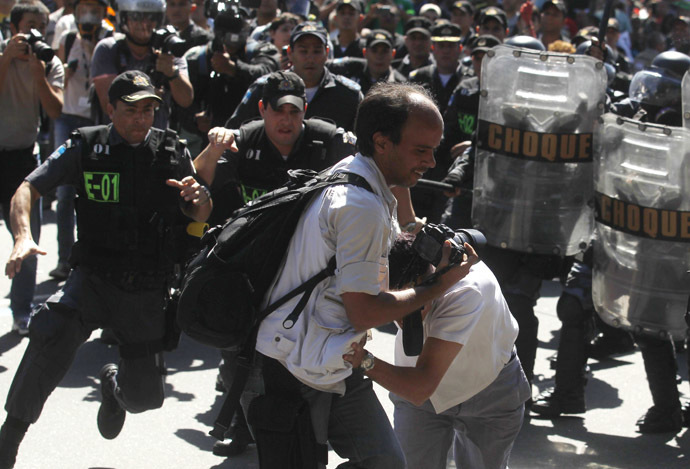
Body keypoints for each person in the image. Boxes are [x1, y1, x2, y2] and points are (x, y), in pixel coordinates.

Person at [253, 82, 477, 467]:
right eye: (420, 150)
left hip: (334, 356)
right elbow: (365, 312)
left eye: (434, 150)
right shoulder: (361, 206)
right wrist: (439, 284)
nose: (431, 162)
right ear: (382, 142)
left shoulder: (358, 174)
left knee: (386, 462)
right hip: (291, 366)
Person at [0, 70, 212, 469]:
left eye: (149, 109)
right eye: (131, 109)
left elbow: (195, 213)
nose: (141, 118)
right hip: (92, 278)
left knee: (145, 399)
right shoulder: (86, 145)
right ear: (110, 109)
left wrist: (201, 203)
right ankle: (8, 441)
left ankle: (112, 387)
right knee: (50, 332)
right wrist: (23, 235)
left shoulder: (171, 150)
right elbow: (28, 188)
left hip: (146, 291)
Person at [194, 70, 358, 458]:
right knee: (236, 344)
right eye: (278, 111)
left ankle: (309, 425)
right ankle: (240, 423)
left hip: (307, 263)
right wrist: (214, 148)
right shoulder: (242, 140)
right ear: (262, 110)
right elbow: (197, 179)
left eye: (294, 111)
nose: (286, 121)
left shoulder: (328, 139)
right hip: (251, 263)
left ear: (305, 110)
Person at [344, 231, 530, 469]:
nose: (396, 320)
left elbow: (420, 387)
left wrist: (364, 360)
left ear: (423, 285)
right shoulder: (397, 266)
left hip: (488, 390)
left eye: (404, 308)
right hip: (416, 388)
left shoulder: (466, 290)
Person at [0, 1, 64, 335]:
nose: (37, 31)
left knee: (27, 238)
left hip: (23, 157)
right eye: (29, 25)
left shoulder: (49, 62)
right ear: (13, 28)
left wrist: (39, 76)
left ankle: (21, 310)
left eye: (43, 25)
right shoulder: (2, 53)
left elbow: (55, 110)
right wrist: (7, 58)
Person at [49, 0, 112, 281]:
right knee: (64, 192)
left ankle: (95, 258)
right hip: (68, 116)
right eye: (84, 8)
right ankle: (64, 259)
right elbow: (56, 76)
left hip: (96, 119)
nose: (89, 14)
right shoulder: (68, 36)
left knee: (96, 190)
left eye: (95, 10)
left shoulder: (110, 39)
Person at [181, 3, 279, 153]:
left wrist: (233, 69)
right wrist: (195, 120)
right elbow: (181, 103)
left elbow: (268, 75)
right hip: (208, 143)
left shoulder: (261, 50)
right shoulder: (197, 57)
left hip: (253, 141)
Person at [228, 22, 363, 131]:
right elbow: (235, 131)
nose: (310, 58)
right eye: (303, 51)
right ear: (290, 52)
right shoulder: (265, 88)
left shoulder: (348, 95)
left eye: (317, 51)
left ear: (327, 52)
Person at [90, 0, 194, 130]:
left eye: (151, 17)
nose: (144, 24)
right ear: (124, 18)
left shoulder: (168, 50)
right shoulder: (109, 48)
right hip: (116, 141)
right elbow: (107, 104)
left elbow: (186, 100)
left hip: (157, 141)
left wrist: (172, 72)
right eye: (136, 17)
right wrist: (146, 98)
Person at [327, 28, 406, 95]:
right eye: (374, 51)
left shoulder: (400, 85)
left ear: (393, 53)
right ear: (365, 52)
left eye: (384, 51)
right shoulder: (349, 67)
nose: (379, 56)